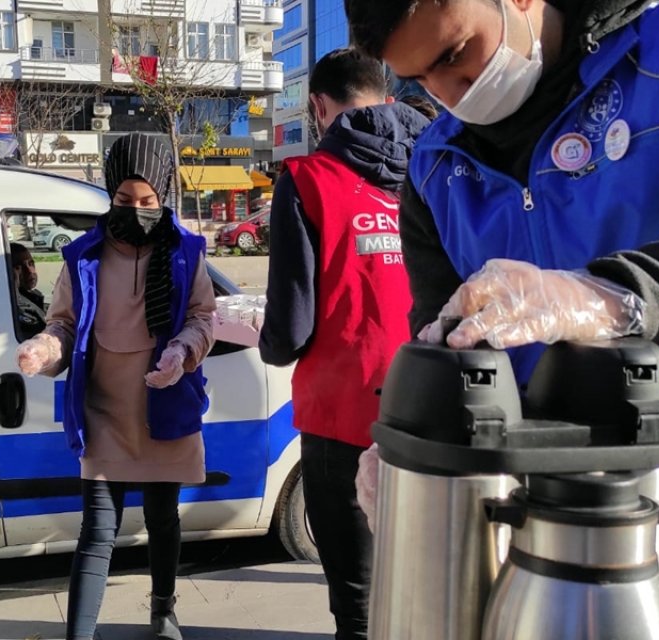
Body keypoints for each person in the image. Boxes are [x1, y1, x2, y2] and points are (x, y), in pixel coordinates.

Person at [345, 0, 659, 637]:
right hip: (536, 528)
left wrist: (610, 296)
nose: (451, 95)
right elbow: (453, 352)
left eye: (454, 55)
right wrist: (408, 448)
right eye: (419, 80)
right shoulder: (434, 169)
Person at [15, 133, 216, 640]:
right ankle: (79, 634)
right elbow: (62, 324)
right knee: (97, 532)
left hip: (164, 406)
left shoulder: (188, 253)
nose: (136, 210)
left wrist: (181, 352)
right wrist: (43, 349)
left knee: (162, 517)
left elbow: (203, 318)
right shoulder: (83, 255)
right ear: (110, 195)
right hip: (103, 411)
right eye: (124, 201)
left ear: (163, 195)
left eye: (147, 201)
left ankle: (163, 611)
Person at [259, 48, 429, 640]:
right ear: (385, 98)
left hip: (343, 419)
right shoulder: (433, 170)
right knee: (426, 592)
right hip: (431, 414)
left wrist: (264, 340)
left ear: (317, 106)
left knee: (358, 601)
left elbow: (291, 329)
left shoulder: (307, 180)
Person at [9, 242, 47, 336]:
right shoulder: (15, 306)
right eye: (19, 267)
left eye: (31, 263)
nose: (29, 271)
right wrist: (13, 287)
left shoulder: (32, 296)